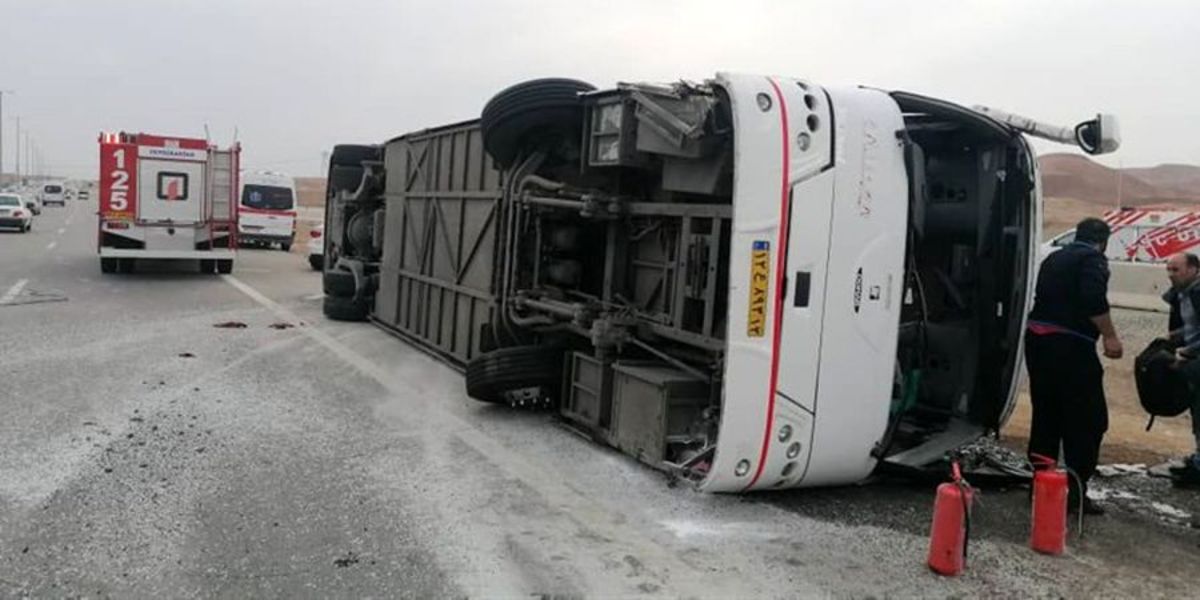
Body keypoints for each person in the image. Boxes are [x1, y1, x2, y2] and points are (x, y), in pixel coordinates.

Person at [1025, 217, 1123, 515]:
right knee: (1088, 420)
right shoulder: (1093, 259)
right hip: (1070, 347)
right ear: (1103, 241)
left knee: (1046, 416)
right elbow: (1093, 299)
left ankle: (1040, 486)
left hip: (1038, 342)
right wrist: (1110, 336)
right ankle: (1074, 492)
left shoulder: (1054, 258)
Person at [1161, 252, 1200, 486]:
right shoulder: (1183, 294)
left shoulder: (1197, 293)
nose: (1170, 275)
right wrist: (1172, 337)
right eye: (1169, 269)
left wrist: (1186, 353)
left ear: (1194, 269)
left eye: (1176, 270)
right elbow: (1192, 328)